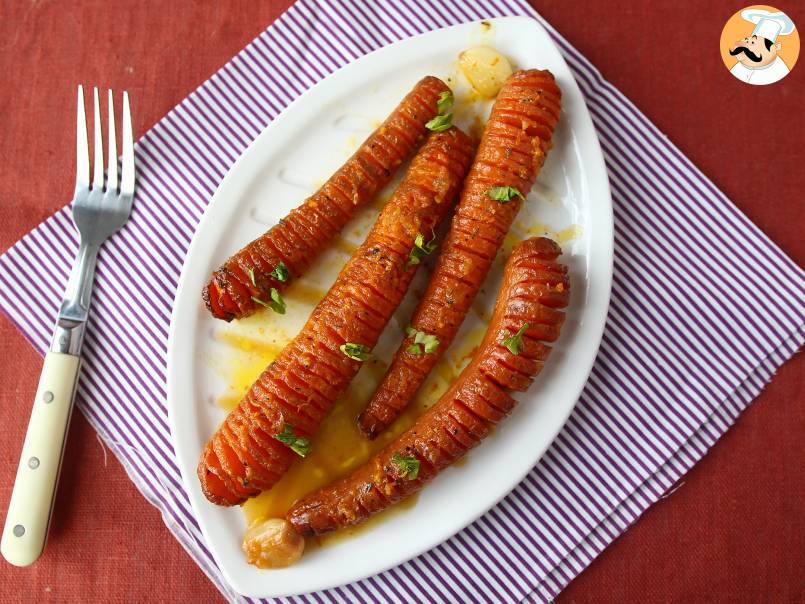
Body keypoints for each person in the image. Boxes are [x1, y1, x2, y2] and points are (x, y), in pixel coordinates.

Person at [729, 9, 795, 85]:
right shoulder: (738, 67)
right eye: (746, 40)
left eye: (753, 42)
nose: (746, 45)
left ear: (775, 47)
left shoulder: (778, 73)